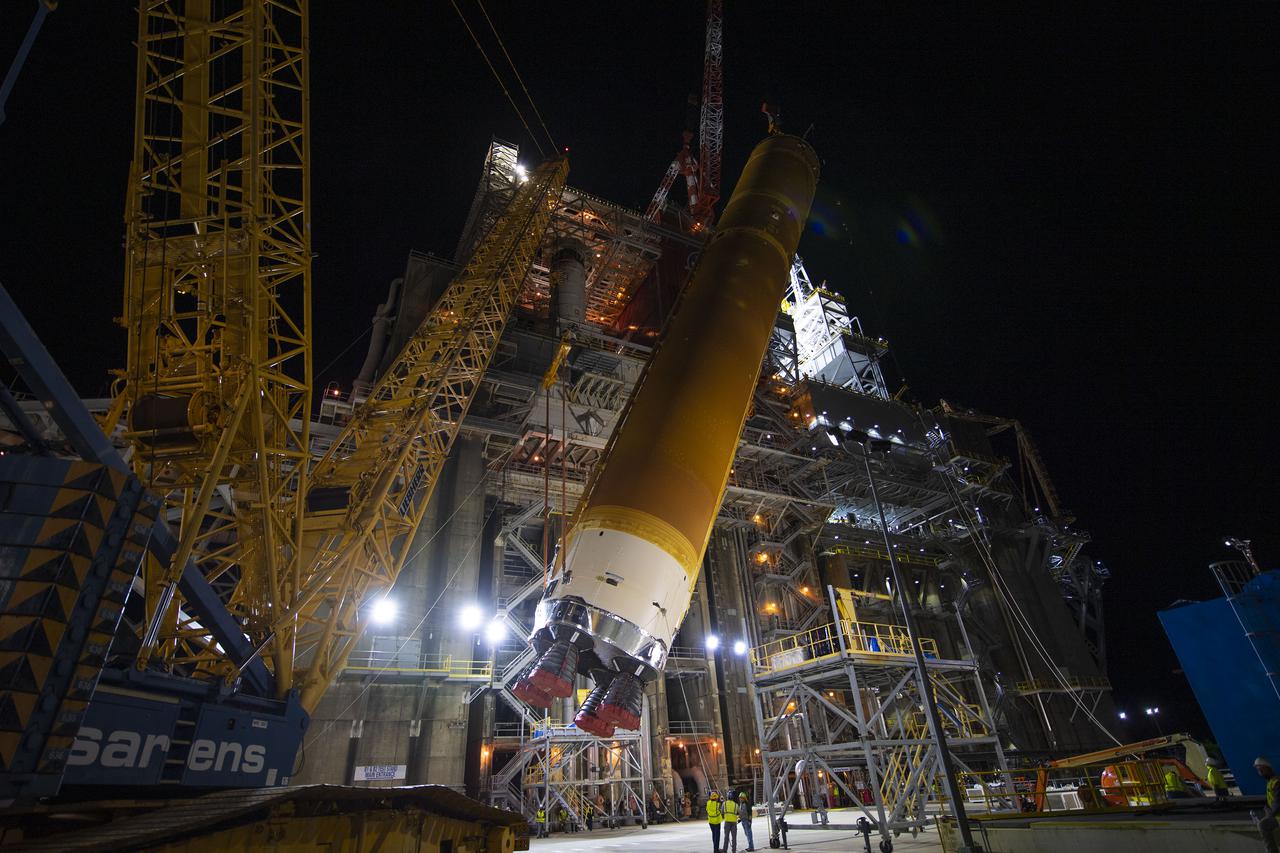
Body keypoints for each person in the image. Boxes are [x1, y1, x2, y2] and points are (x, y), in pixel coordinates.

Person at [1254, 757, 1280, 853]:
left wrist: (1269, 814)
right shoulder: (1271, 782)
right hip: (1277, 815)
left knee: (1262, 825)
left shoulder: (1277, 782)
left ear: (1268, 769)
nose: (1259, 773)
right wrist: (1267, 808)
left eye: (1261, 770)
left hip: (1278, 816)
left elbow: (1277, 803)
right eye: (1258, 770)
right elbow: (1272, 800)